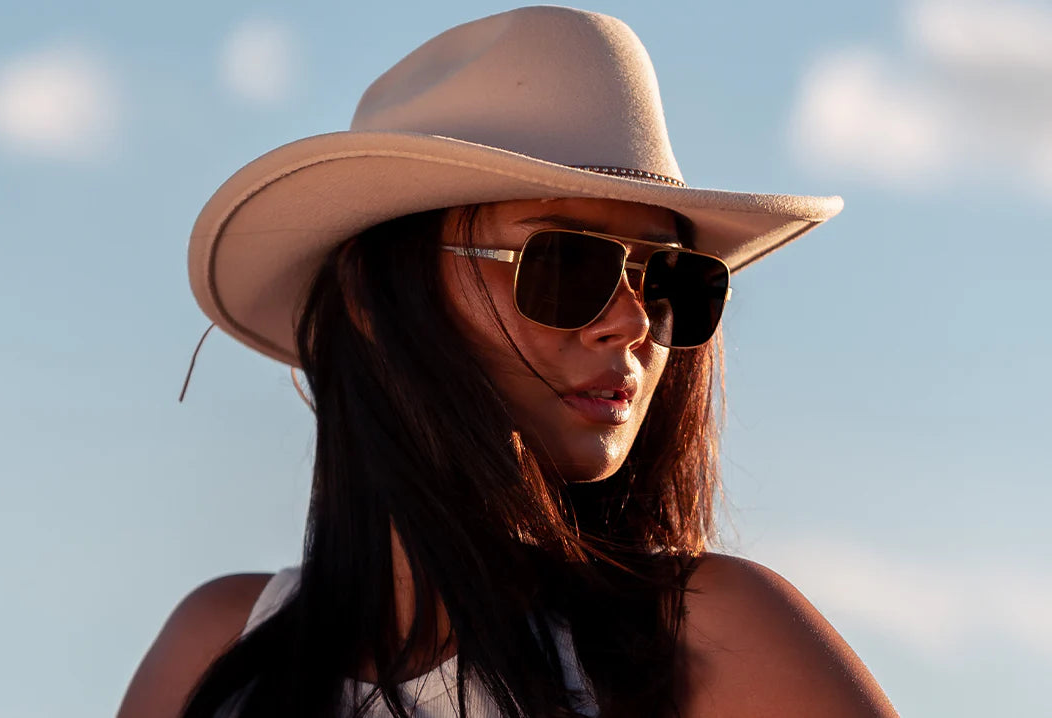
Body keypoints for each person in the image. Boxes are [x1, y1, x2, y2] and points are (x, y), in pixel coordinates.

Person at [118, 6, 898, 718]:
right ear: (370, 296)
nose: (632, 322)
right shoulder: (215, 654)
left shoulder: (714, 643)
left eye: (670, 282)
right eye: (565, 265)